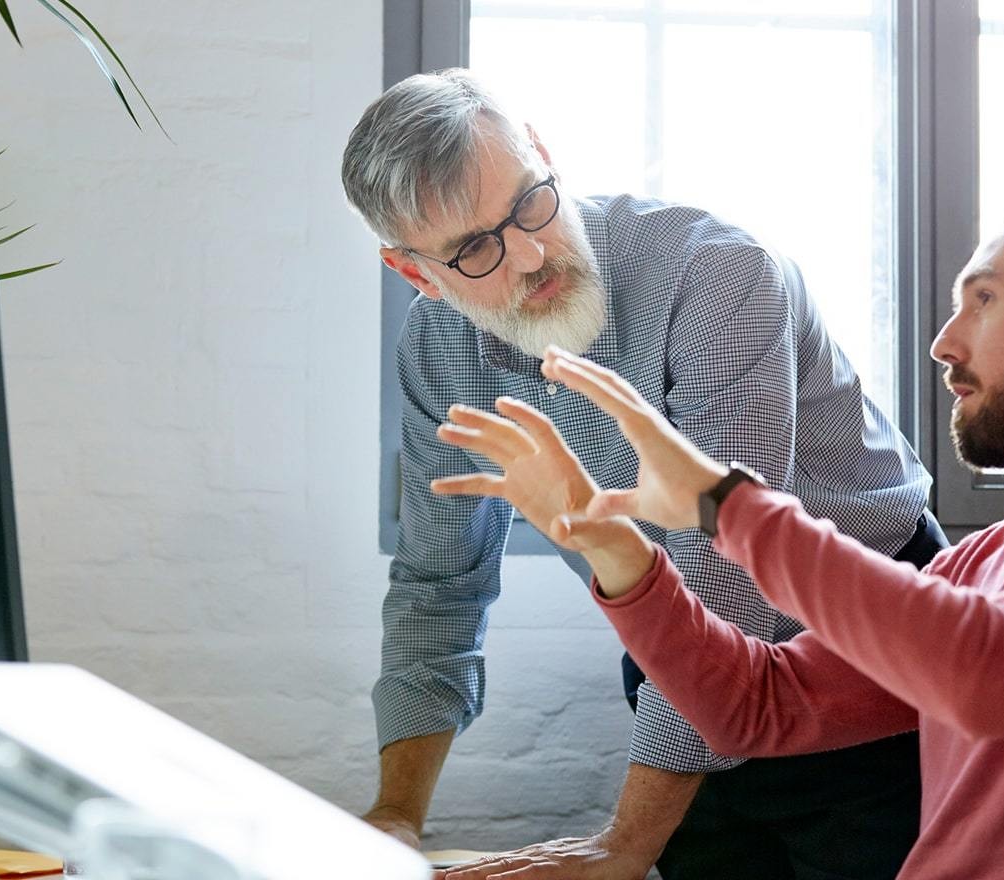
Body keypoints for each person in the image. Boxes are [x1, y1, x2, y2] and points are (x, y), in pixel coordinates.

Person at [433, 183, 1004, 879]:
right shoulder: (991, 557)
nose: (944, 343)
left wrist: (722, 501)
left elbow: (994, 672)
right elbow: (756, 709)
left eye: (983, 299)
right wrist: (613, 550)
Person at [341, 69, 947, 879]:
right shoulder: (436, 347)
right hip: (677, 648)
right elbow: (438, 583)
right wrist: (394, 818)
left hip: (868, 641)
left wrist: (624, 845)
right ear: (416, 273)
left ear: (545, 155)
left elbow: (724, 571)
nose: (529, 254)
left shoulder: (715, 271)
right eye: (475, 248)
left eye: (529, 202)